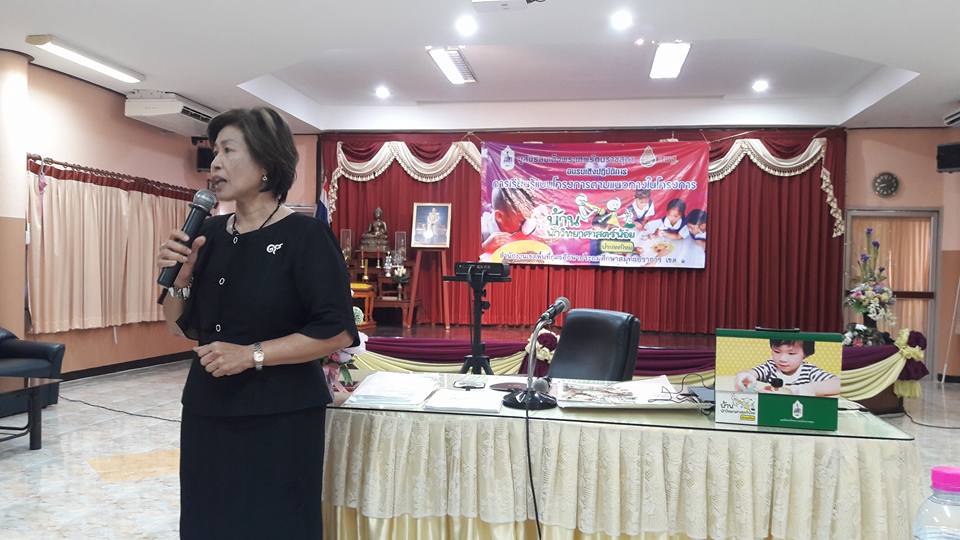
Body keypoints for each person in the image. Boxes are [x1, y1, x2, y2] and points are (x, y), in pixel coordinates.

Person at [157, 107, 358, 539]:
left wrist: (251, 355)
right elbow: (180, 327)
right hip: (208, 408)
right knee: (208, 522)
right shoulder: (208, 234)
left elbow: (337, 330)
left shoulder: (306, 236)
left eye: (229, 150)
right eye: (214, 152)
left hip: (281, 415)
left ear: (267, 162)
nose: (215, 164)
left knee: (275, 523)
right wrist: (182, 279)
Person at [734, 339, 840, 396]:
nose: (782, 359)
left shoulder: (809, 371)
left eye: (791, 353)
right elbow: (749, 374)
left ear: (805, 354)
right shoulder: (770, 367)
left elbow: (836, 383)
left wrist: (801, 389)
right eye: (777, 352)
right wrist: (746, 379)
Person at [481, 187, 535, 251]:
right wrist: (484, 247)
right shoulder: (482, 232)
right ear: (499, 217)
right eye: (522, 221)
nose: (527, 224)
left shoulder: (527, 220)